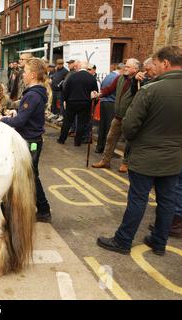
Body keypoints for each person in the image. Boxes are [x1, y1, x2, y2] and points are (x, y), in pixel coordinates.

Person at [97, 46, 182, 256]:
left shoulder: (151, 90)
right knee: (167, 201)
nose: (153, 68)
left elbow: (129, 126)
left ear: (165, 63)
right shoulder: (152, 86)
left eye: (154, 64)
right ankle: (159, 242)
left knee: (138, 199)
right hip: (174, 157)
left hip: (146, 155)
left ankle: (123, 240)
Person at [0, 58, 53, 224]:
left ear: (33, 75)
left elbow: (21, 122)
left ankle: (37, 210)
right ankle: (42, 210)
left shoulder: (33, 95)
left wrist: (2, 120)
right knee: (28, 176)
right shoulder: (36, 92)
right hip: (31, 139)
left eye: (26, 72)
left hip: (30, 141)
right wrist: (14, 114)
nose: (23, 75)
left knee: (27, 176)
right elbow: (25, 117)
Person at [91, 58, 141, 172]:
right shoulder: (120, 77)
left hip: (130, 118)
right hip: (118, 116)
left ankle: (126, 163)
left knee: (129, 142)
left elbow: (137, 93)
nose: (125, 68)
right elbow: (109, 89)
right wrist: (99, 94)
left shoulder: (139, 80)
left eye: (128, 67)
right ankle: (105, 161)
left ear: (136, 69)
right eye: (125, 66)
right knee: (110, 138)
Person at [57, 61, 99, 146]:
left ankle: (62, 139)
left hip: (71, 102)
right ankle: (77, 141)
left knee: (67, 122)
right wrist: (93, 103)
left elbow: (66, 89)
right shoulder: (91, 78)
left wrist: (64, 100)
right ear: (86, 67)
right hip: (85, 103)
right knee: (81, 123)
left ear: (79, 67)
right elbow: (95, 93)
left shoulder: (72, 76)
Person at [95, 64, 124, 154]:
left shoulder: (108, 76)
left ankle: (99, 147)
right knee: (109, 128)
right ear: (122, 69)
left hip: (103, 102)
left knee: (102, 126)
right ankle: (106, 150)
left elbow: (103, 88)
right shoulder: (118, 77)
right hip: (111, 103)